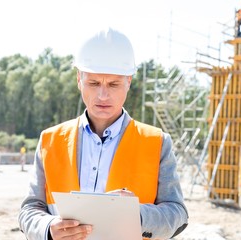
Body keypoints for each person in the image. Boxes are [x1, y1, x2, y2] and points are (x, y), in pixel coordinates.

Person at [18, 28, 188, 240]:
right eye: (94, 83)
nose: (103, 95)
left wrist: (137, 216)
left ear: (129, 81)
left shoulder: (157, 142)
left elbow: (178, 214)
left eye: (114, 84)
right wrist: (49, 228)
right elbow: (29, 210)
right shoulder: (50, 141)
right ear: (79, 79)